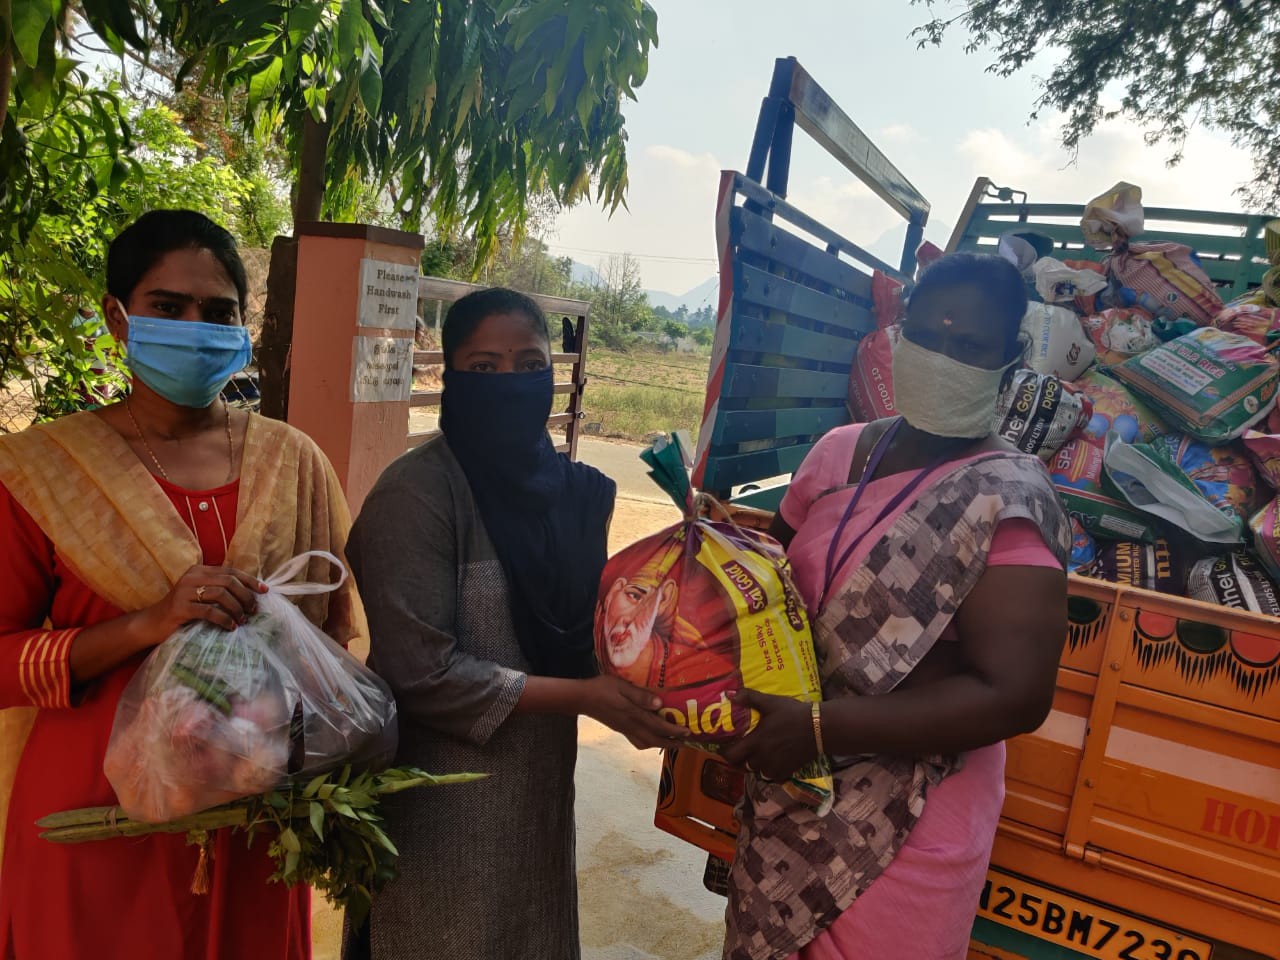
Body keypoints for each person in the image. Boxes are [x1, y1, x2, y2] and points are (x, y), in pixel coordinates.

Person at [0, 209, 363, 960]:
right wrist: (147, 624)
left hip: (256, 819)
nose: (195, 328)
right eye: (167, 307)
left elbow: (336, 640)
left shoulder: (295, 461)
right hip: (96, 818)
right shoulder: (40, 471)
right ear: (118, 317)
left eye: (219, 312)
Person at [721, 252, 1071, 960]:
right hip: (790, 783)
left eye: (969, 346)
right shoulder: (838, 453)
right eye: (927, 335)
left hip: (910, 819)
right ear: (899, 333)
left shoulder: (1009, 497)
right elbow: (765, 582)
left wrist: (818, 728)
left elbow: (1016, 696)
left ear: (1011, 357)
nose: (943, 357)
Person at [342, 287, 684, 960]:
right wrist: (586, 697)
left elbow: (591, 628)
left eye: (530, 365)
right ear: (451, 375)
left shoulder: (572, 494)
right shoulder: (416, 496)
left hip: (537, 786)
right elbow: (420, 672)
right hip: (436, 805)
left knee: (529, 930)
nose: (511, 382)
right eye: (485, 367)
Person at [595, 541, 737, 689]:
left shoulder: (700, 668)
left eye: (643, 599)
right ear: (613, 592)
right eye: (633, 595)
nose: (629, 619)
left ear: (663, 600)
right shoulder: (592, 634)